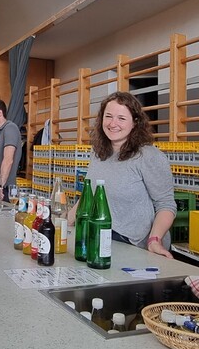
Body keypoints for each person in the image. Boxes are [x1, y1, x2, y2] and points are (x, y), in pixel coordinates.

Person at [68, 92, 176, 255]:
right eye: (108, 116)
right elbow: (90, 194)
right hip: (100, 233)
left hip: (133, 243)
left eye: (121, 118)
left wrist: (155, 240)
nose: (113, 123)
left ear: (135, 123)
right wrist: (66, 221)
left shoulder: (148, 156)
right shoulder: (98, 153)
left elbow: (166, 204)